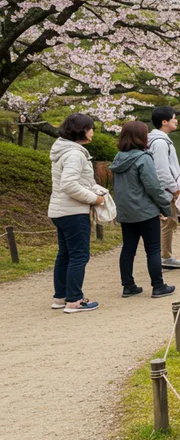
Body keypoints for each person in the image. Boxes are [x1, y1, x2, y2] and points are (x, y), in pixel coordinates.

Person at [110, 120, 175, 298]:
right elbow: (153, 187)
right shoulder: (143, 158)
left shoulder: (118, 158)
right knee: (153, 249)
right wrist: (165, 207)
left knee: (128, 249)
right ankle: (158, 286)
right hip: (145, 211)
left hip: (126, 211)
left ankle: (128, 285)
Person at [48, 113, 105, 313]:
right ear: (81, 130)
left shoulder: (64, 150)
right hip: (72, 211)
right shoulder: (75, 154)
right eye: (91, 128)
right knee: (79, 255)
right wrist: (94, 198)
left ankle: (61, 296)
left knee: (65, 255)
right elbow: (69, 184)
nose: (92, 132)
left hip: (60, 210)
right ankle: (74, 300)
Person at [148, 106, 180, 270]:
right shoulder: (160, 143)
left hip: (166, 188)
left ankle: (165, 255)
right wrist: (174, 189)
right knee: (168, 222)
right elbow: (162, 169)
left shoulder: (160, 140)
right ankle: (165, 256)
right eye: (174, 118)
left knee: (170, 221)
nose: (176, 120)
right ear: (164, 122)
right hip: (165, 190)